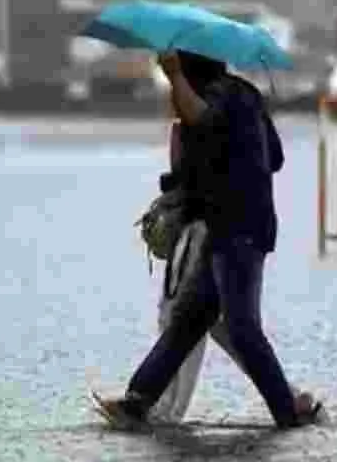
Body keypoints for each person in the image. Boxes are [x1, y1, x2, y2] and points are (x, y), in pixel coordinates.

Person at [96, 50, 321, 429]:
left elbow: (203, 118)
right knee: (188, 321)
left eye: (180, 70)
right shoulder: (245, 94)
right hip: (228, 227)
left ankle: (286, 411)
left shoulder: (220, 98)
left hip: (240, 231)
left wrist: (173, 78)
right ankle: (137, 402)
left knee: (241, 326)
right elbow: (276, 157)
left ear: (190, 70)